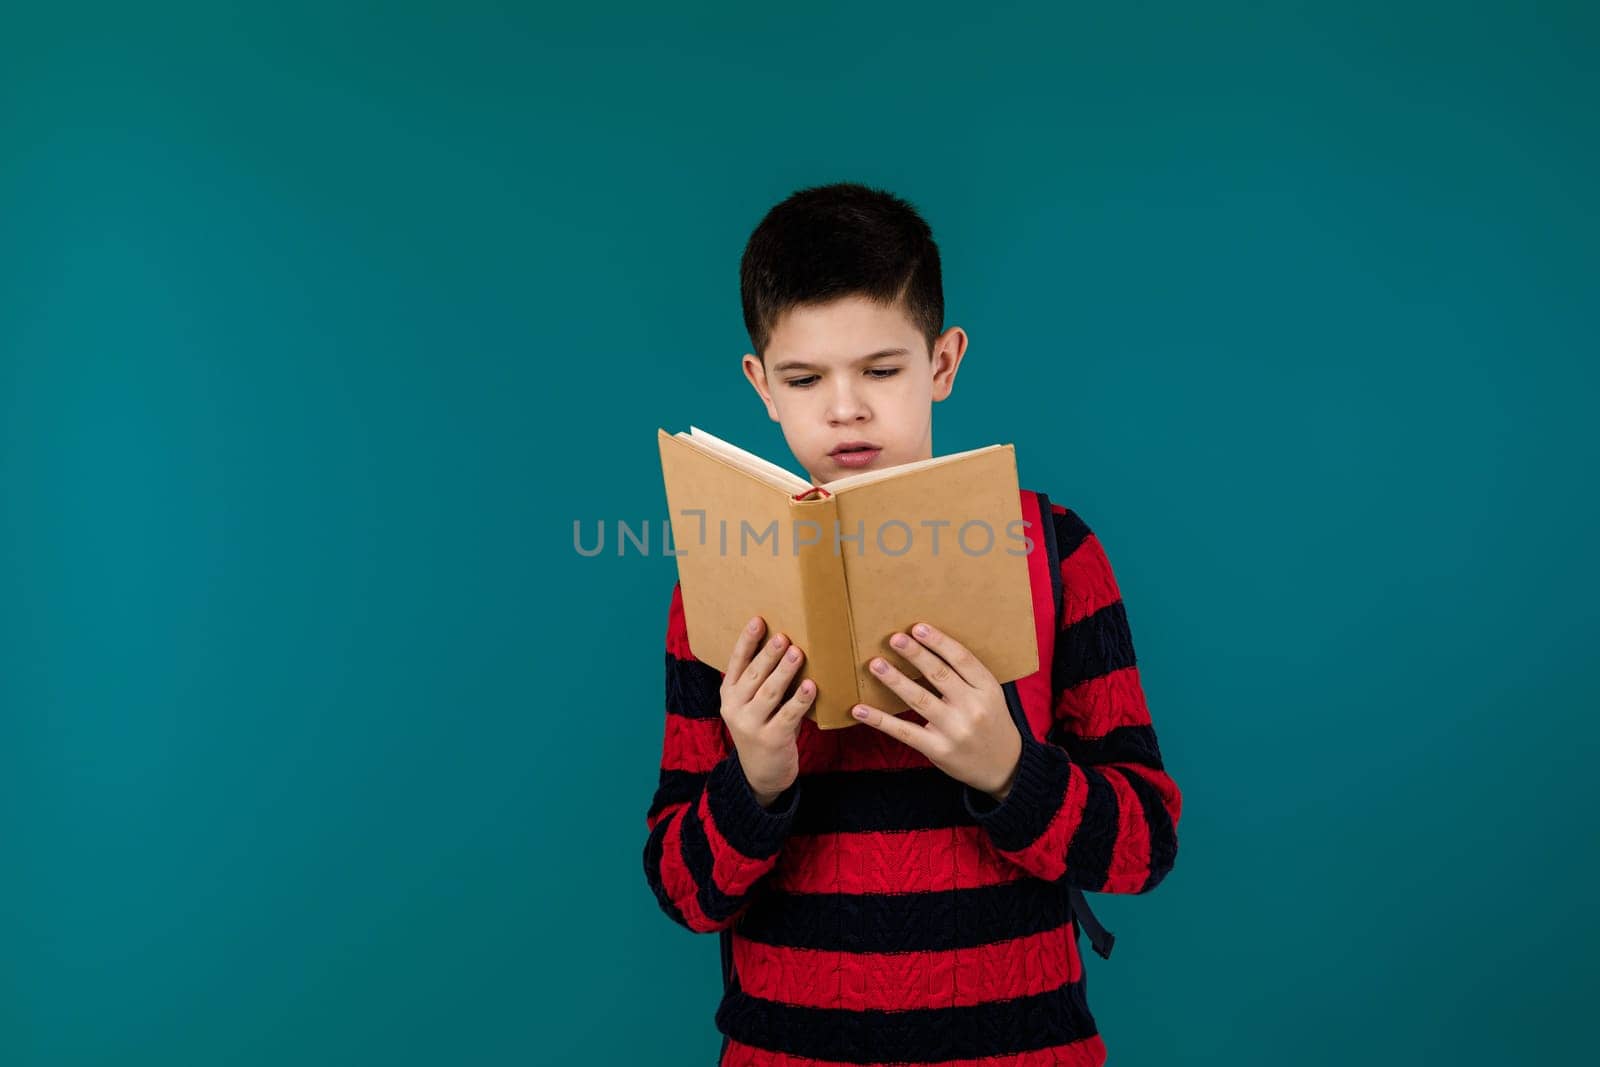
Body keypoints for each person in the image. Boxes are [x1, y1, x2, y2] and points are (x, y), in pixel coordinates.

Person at [642, 181, 1182, 1066]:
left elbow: (1145, 846)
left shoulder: (1056, 552)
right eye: (804, 378)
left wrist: (1011, 770)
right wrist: (758, 781)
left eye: (882, 370)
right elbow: (683, 890)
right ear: (760, 385)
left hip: (1023, 1046)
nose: (845, 408)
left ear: (942, 361)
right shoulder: (719, 580)